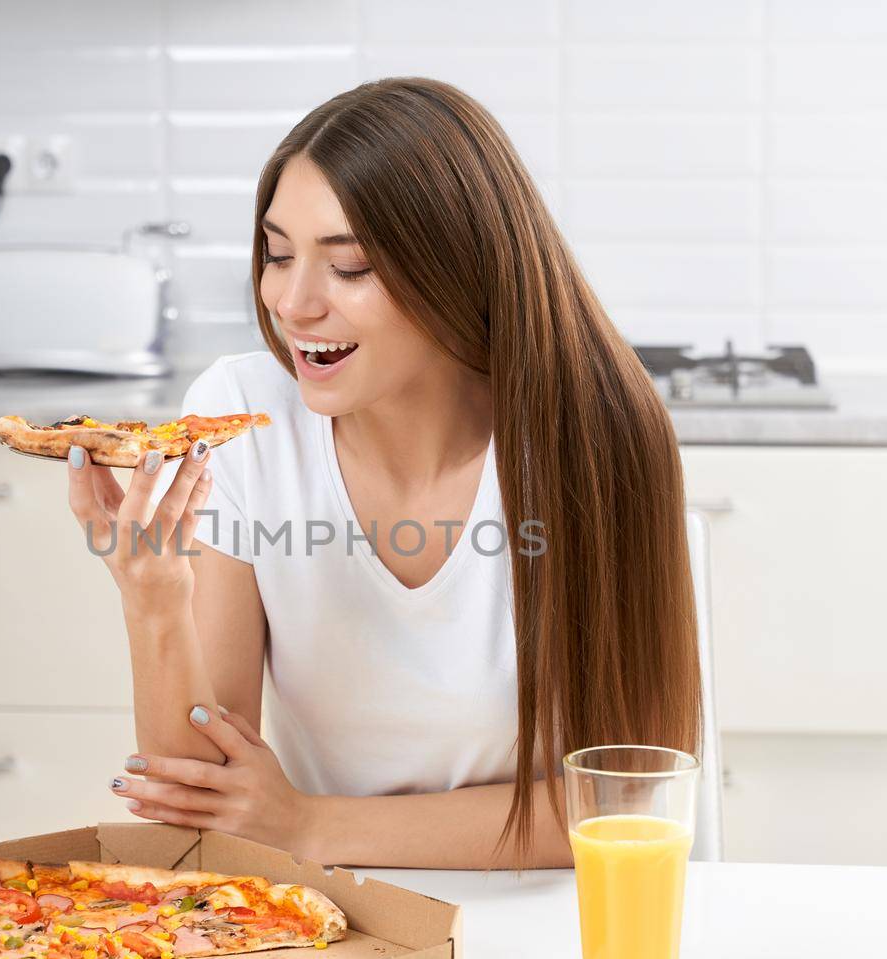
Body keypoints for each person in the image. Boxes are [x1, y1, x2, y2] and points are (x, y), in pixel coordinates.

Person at [63, 78, 700, 870]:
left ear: (458, 269)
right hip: (335, 913)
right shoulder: (242, 416)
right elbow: (205, 811)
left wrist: (308, 825)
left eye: (351, 265)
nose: (293, 303)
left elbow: (626, 793)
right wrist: (155, 600)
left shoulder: (596, 435)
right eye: (278, 253)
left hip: (557, 916)